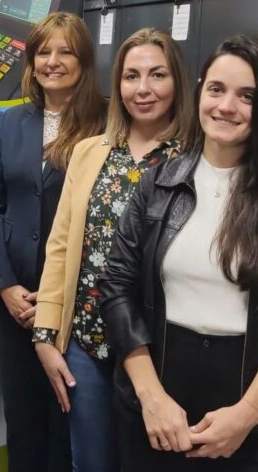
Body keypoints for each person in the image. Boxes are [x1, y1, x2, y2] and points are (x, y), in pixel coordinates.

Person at [33, 28, 192, 472]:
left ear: (177, 82)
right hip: (87, 342)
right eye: (131, 76)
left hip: (159, 350)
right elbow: (61, 246)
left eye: (157, 75)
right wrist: (46, 335)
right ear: (117, 85)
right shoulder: (89, 152)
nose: (142, 89)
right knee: (90, 462)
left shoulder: (194, 157)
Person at [100, 35, 258, 472]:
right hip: (156, 393)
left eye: (247, 96)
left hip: (245, 403)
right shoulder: (158, 182)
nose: (227, 106)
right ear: (200, 92)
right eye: (217, 89)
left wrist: (247, 416)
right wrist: (151, 398)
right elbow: (116, 288)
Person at [0, 12, 106, 471]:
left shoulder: (107, 123)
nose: (53, 62)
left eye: (65, 51)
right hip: (16, 299)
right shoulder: (13, 123)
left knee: (69, 420)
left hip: (75, 300)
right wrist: (4, 286)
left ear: (84, 60)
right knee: (23, 419)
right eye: (43, 52)